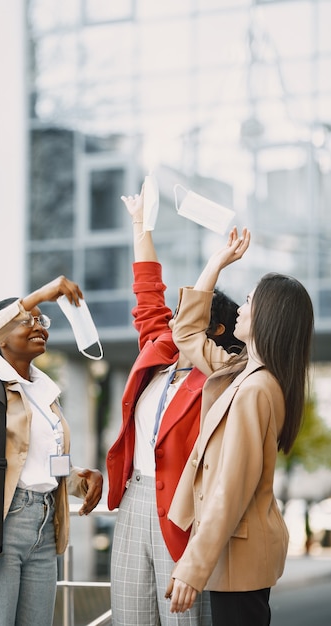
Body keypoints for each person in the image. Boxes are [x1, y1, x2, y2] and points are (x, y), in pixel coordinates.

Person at [107, 187, 244, 626]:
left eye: (189, 312)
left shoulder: (223, 378)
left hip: (184, 512)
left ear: (215, 327)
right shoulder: (161, 350)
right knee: (129, 615)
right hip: (134, 499)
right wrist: (140, 225)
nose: (175, 318)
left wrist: (218, 261)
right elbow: (148, 290)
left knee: (181, 620)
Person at [165, 227, 314, 626]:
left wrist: (192, 567)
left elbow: (231, 487)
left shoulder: (255, 389)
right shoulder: (242, 373)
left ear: (269, 316)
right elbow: (185, 331)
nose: (238, 310)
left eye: (247, 302)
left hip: (240, 556)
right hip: (237, 554)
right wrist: (216, 263)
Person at [0, 275, 103, 626]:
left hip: (45, 527)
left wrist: (78, 477)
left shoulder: (46, 394)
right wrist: (38, 296)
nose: (38, 326)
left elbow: (41, 463)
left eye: (41, 320)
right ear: (0, 337)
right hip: (1, 525)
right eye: (26, 321)